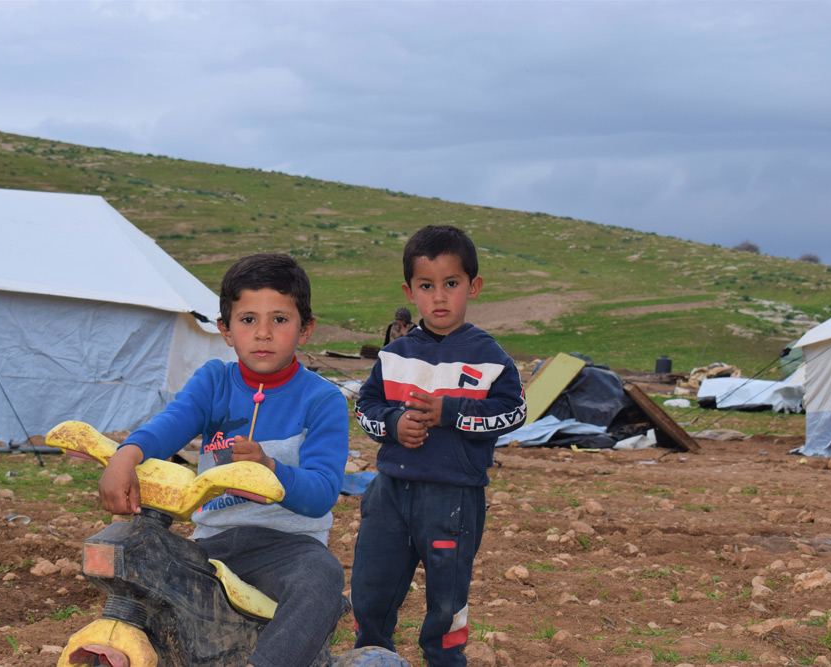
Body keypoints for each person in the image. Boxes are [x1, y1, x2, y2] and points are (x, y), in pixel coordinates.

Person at [99, 253, 350, 667]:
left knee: (322, 577)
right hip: (211, 546)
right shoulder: (213, 381)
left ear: (305, 329)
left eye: (280, 320)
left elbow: (322, 492)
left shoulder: (321, 399)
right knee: (138, 556)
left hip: (287, 550)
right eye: (248, 319)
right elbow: (172, 423)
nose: (263, 333)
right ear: (226, 330)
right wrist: (128, 454)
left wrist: (270, 470)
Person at [350, 225, 527, 666]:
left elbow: (514, 412)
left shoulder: (490, 357)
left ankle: (444, 660)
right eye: (427, 287)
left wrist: (453, 414)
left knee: (447, 599)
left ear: (474, 286)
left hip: (454, 497)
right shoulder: (395, 353)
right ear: (410, 292)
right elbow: (365, 406)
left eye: (452, 284)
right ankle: (372, 654)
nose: (440, 297)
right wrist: (393, 424)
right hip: (389, 491)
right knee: (371, 584)